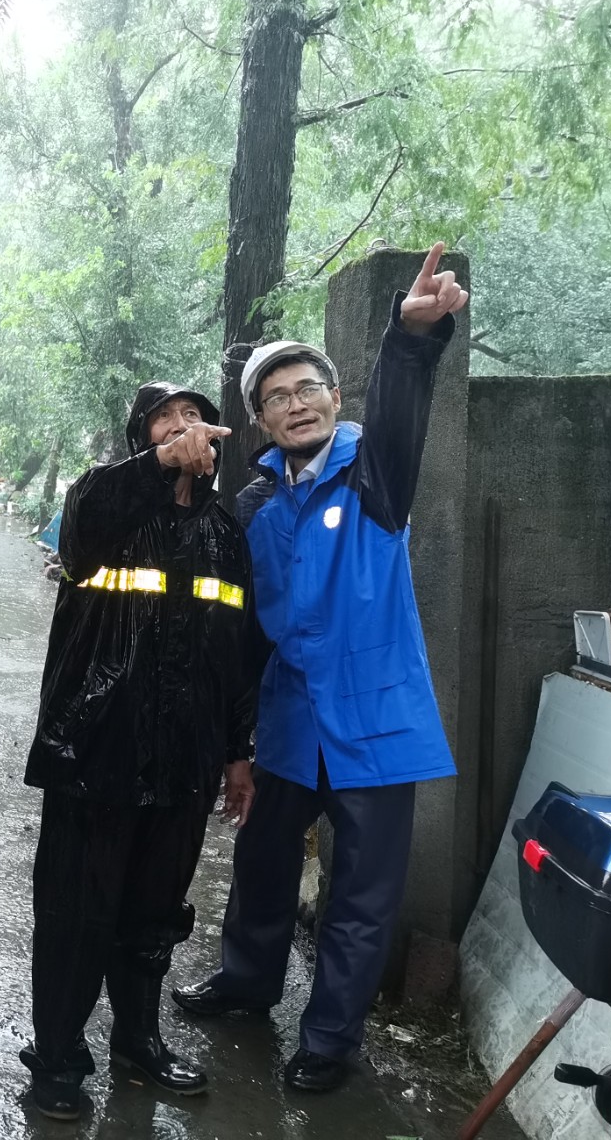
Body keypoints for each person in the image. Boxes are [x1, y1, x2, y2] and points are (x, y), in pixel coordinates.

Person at [173, 244, 470, 1094]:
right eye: (277, 397)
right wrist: (236, 741)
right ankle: (246, 984)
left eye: (309, 389)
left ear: (336, 400)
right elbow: (240, 636)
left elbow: (406, 405)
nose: (296, 403)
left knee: (362, 898)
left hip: (376, 726)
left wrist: (411, 339)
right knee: (263, 865)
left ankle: (330, 1038)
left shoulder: (375, 475)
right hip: (290, 723)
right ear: (260, 421)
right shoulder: (255, 504)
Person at [18, 381, 269, 1120]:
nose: (184, 427)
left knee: (155, 915)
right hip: (96, 753)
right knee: (76, 913)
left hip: (186, 764)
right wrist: (157, 466)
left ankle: (138, 1038)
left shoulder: (225, 536)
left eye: (195, 417)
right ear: (142, 438)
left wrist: (236, 751)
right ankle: (57, 1058)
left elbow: (238, 656)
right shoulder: (103, 503)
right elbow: (82, 533)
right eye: (165, 420)